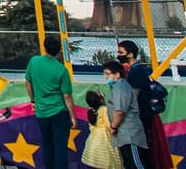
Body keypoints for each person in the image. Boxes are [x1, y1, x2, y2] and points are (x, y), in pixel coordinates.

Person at [118, 40, 172, 169]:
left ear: (130, 54)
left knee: (137, 157)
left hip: (138, 119)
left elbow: (133, 97)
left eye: (121, 52)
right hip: (142, 117)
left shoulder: (135, 72)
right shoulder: (140, 69)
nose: (118, 55)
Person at [24, 35, 74, 169]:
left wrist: (33, 100)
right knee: (60, 147)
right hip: (59, 112)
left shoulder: (34, 61)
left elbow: (28, 82)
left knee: (47, 144)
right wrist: (73, 117)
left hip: (42, 112)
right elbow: (67, 95)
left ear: (45, 48)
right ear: (58, 51)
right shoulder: (61, 69)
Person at [104, 59, 148, 169]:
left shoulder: (120, 87)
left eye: (107, 74)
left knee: (135, 164)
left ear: (117, 74)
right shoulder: (117, 87)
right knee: (128, 163)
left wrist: (113, 127)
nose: (105, 77)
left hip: (129, 134)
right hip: (124, 135)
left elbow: (120, 111)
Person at [82, 89, 123, 169]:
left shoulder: (90, 111)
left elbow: (91, 126)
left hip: (94, 138)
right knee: (108, 161)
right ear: (100, 99)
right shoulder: (104, 109)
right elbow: (108, 124)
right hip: (105, 137)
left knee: (98, 162)